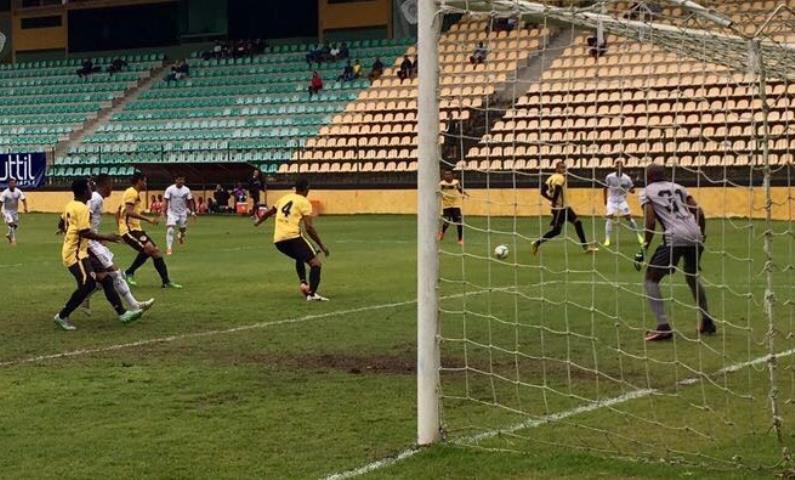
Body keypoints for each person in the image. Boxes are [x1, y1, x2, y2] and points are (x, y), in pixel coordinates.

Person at [53, 179, 144, 331]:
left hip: (80, 252)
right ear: (83, 191)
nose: (92, 190)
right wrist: (107, 237)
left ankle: (122, 313)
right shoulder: (81, 208)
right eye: (89, 188)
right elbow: (85, 232)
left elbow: (61, 222)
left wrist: (65, 231)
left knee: (106, 279)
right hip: (74, 254)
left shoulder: (71, 205)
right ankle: (62, 316)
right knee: (88, 283)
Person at [639, 164, 716, 342]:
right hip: (695, 232)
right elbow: (699, 212)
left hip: (674, 236)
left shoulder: (647, 191)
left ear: (648, 177)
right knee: (691, 276)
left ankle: (663, 326)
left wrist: (644, 247)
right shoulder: (679, 187)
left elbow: (650, 222)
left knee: (651, 278)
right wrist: (701, 235)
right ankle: (707, 320)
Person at [81, 175, 155, 315]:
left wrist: (98, 238)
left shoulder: (97, 198)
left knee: (107, 275)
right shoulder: (96, 198)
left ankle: (86, 297)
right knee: (114, 273)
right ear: (106, 185)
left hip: (93, 241)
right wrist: (97, 237)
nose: (112, 188)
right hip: (89, 243)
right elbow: (85, 217)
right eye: (111, 184)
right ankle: (134, 306)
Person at [254, 177, 330, 301]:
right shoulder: (304, 202)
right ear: (307, 188)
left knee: (300, 257)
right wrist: (322, 245)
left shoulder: (285, 198)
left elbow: (269, 212)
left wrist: (258, 221)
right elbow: (309, 228)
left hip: (278, 240)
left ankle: (303, 284)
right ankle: (312, 294)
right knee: (316, 263)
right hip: (292, 236)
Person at [118, 172, 182, 288]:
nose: (146, 184)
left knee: (155, 252)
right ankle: (129, 272)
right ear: (139, 181)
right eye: (145, 181)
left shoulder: (133, 193)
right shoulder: (131, 193)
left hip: (136, 229)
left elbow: (119, 210)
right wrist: (148, 219)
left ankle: (166, 282)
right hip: (130, 230)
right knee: (149, 250)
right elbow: (129, 211)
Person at [531, 161, 599, 255]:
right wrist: (554, 201)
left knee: (577, 223)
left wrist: (550, 199)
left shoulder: (551, 177)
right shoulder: (560, 178)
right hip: (560, 209)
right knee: (557, 231)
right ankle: (537, 243)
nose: (564, 170)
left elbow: (542, 191)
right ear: (557, 168)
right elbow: (558, 189)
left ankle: (586, 247)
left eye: (565, 168)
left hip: (564, 207)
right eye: (562, 168)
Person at [603, 159, 644, 247]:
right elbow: (605, 188)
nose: (619, 167)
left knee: (628, 218)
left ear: (623, 167)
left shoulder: (627, 178)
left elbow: (632, 190)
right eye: (617, 165)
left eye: (620, 165)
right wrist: (605, 200)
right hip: (612, 200)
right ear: (615, 167)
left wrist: (630, 190)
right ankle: (607, 239)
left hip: (622, 200)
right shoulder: (610, 177)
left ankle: (638, 236)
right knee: (609, 217)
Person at [163, 175, 196, 256]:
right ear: (176, 180)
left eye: (182, 180)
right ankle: (169, 248)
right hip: (172, 213)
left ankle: (180, 236)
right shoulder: (170, 189)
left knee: (183, 229)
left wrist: (193, 212)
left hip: (182, 213)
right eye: (179, 180)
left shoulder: (186, 190)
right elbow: (166, 200)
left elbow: (190, 201)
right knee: (170, 230)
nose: (181, 181)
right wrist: (163, 211)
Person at [438, 169, 468, 246]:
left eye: (449, 174)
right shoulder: (441, 184)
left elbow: (460, 189)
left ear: (452, 175)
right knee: (447, 221)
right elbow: (439, 192)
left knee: (459, 221)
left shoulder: (456, 182)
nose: (447, 176)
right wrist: (442, 196)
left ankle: (460, 239)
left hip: (455, 204)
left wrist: (465, 194)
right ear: (443, 176)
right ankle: (442, 233)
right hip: (446, 205)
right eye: (446, 174)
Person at [1, 178, 28, 246]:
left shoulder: (18, 191)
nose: (12, 184)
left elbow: (23, 199)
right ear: (8, 184)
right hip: (6, 211)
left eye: (14, 183)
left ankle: (9, 235)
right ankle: (13, 240)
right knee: (11, 223)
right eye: (11, 183)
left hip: (14, 211)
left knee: (15, 226)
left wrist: (25, 208)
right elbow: (0, 202)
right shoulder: (5, 193)